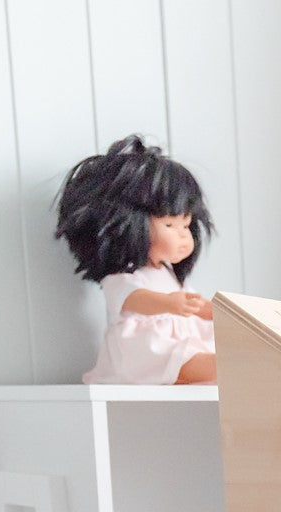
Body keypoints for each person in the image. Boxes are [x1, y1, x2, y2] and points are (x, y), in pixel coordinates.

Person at [54, 135, 217, 385]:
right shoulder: (124, 278)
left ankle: (227, 365)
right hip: (144, 349)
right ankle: (224, 367)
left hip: (178, 342)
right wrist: (168, 303)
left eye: (186, 225)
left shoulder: (169, 274)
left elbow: (192, 304)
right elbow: (133, 299)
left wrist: (208, 311)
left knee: (202, 352)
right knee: (185, 359)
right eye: (170, 225)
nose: (184, 235)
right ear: (127, 226)